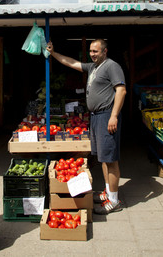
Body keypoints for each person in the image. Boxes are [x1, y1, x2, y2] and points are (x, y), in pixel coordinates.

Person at [46, 39, 126, 215]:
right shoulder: (93, 67)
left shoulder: (111, 66)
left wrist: (113, 115)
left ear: (105, 51)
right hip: (96, 117)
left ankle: (114, 201)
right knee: (104, 158)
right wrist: (53, 53)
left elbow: (121, 90)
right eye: (90, 51)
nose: (92, 54)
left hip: (106, 115)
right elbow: (72, 62)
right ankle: (108, 192)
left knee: (111, 159)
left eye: (96, 51)